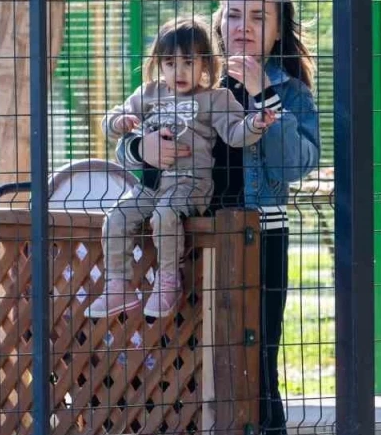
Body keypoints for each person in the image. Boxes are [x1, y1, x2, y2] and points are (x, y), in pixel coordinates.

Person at [115, 0, 321, 435]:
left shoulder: (289, 88)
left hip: (258, 240)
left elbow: (293, 166)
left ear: (279, 29)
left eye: (258, 18)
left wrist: (262, 98)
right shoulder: (188, 77)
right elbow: (131, 135)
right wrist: (139, 146)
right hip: (186, 236)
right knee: (190, 365)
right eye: (233, 15)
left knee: (254, 368)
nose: (243, 28)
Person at [87, 17, 278, 320]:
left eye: (188, 62)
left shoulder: (216, 98)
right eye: (170, 63)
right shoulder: (148, 93)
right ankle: (118, 284)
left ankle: (167, 283)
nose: (179, 71)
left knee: (165, 215)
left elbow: (235, 133)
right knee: (117, 217)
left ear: (205, 64)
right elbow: (111, 119)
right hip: (150, 185)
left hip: (191, 184)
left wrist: (255, 123)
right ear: (159, 64)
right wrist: (119, 122)